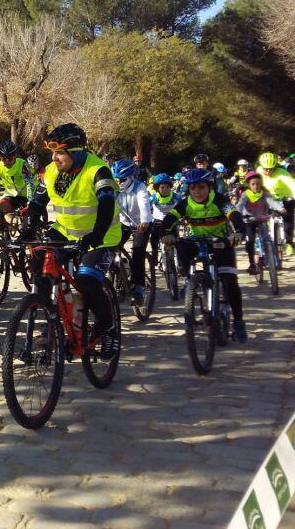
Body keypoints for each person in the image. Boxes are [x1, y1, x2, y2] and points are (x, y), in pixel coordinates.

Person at [20, 123, 122, 358]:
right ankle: (50, 318)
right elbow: (36, 203)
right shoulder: (51, 171)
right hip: (65, 231)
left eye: (60, 153)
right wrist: (27, 230)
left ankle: (108, 330)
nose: (54, 158)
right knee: (39, 260)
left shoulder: (98, 171)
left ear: (76, 152)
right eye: (52, 153)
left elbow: (106, 206)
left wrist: (95, 236)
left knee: (86, 282)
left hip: (102, 236)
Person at [160, 168, 249, 342]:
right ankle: (189, 281)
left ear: (210, 187)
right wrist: (165, 234)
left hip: (221, 243)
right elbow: (169, 220)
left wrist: (238, 232)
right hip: (197, 241)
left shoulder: (220, 201)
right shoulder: (185, 204)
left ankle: (238, 322)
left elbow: (235, 215)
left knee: (230, 282)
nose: (197, 192)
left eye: (201, 187)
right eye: (193, 188)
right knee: (182, 246)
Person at [113, 159, 152, 305]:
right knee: (108, 247)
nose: (119, 182)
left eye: (122, 179)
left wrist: (145, 221)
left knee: (138, 251)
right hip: (123, 224)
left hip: (141, 224)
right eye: (116, 179)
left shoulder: (139, 187)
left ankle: (139, 289)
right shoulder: (114, 189)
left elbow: (144, 205)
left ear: (131, 177)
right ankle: (121, 272)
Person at [234, 171, 286, 274]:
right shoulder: (245, 194)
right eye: (253, 184)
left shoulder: (265, 194)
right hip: (248, 221)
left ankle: (272, 259)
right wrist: (235, 213)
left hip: (262, 220)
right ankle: (252, 264)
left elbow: (272, 202)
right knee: (250, 242)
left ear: (261, 184)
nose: (256, 186)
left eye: (258, 184)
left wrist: (281, 208)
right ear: (248, 185)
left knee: (267, 239)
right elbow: (240, 205)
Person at [0, 140, 33, 232]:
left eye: (10, 158)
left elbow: (29, 184)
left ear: (15, 157)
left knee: (27, 223)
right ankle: (5, 238)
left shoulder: (22, 164)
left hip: (25, 195)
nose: (7, 161)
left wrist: (30, 203)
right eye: (4, 158)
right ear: (0, 158)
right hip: (10, 195)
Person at [256, 152, 295, 256]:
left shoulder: (281, 172)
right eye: (266, 169)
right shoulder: (258, 172)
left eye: (271, 169)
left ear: (275, 167)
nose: (268, 171)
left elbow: (291, 182)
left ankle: (288, 243)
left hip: (285, 197)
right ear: (261, 167)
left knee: (287, 220)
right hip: (269, 198)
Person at [149, 172, 181, 260]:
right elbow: (146, 208)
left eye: (167, 187)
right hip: (157, 221)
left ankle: (179, 260)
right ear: (157, 188)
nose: (165, 189)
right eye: (162, 187)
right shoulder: (153, 198)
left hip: (172, 222)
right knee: (154, 238)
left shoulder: (176, 197)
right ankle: (154, 252)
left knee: (177, 240)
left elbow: (183, 207)